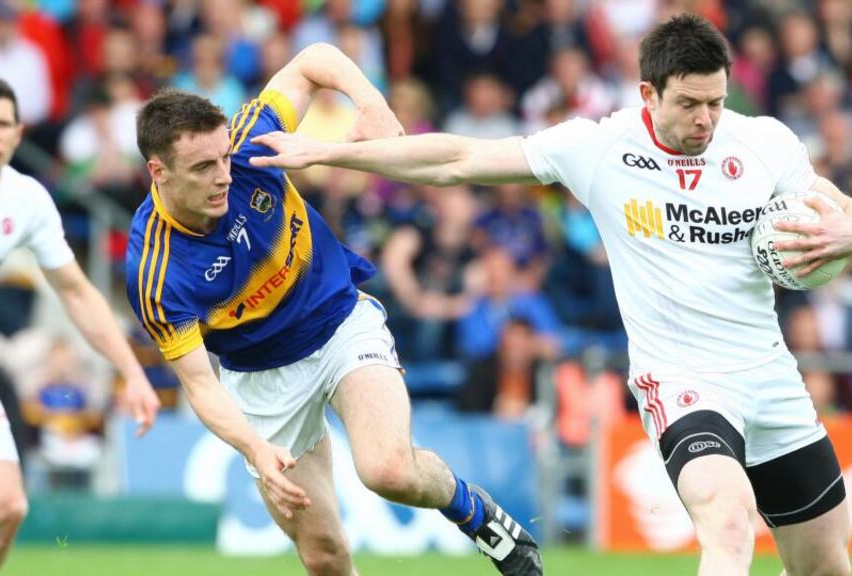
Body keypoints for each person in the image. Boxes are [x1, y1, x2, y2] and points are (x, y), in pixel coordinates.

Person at [250, 15, 852, 576]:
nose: (706, 120)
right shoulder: (599, 147)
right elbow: (459, 159)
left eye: (716, 103)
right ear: (648, 93)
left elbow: (842, 211)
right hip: (684, 381)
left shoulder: (766, 141)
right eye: (690, 104)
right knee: (727, 520)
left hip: (771, 377)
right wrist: (327, 153)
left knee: (825, 566)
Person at [126, 42, 542, 576]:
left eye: (225, 157)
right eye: (204, 167)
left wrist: (369, 101)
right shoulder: (154, 271)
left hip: (338, 319)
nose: (225, 176)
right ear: (158, 172)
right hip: (261, 378)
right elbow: (200, 385)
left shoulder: (252, 139)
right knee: (323, 556)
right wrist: (254, 448)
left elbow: (311, 60)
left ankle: (480, 517)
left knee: (389, 470)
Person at [0, 76, 161, 576]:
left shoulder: (26, 200)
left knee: (7, 507)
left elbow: (76, 291)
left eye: (2, 124)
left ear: (18, 133)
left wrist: (131, 372)